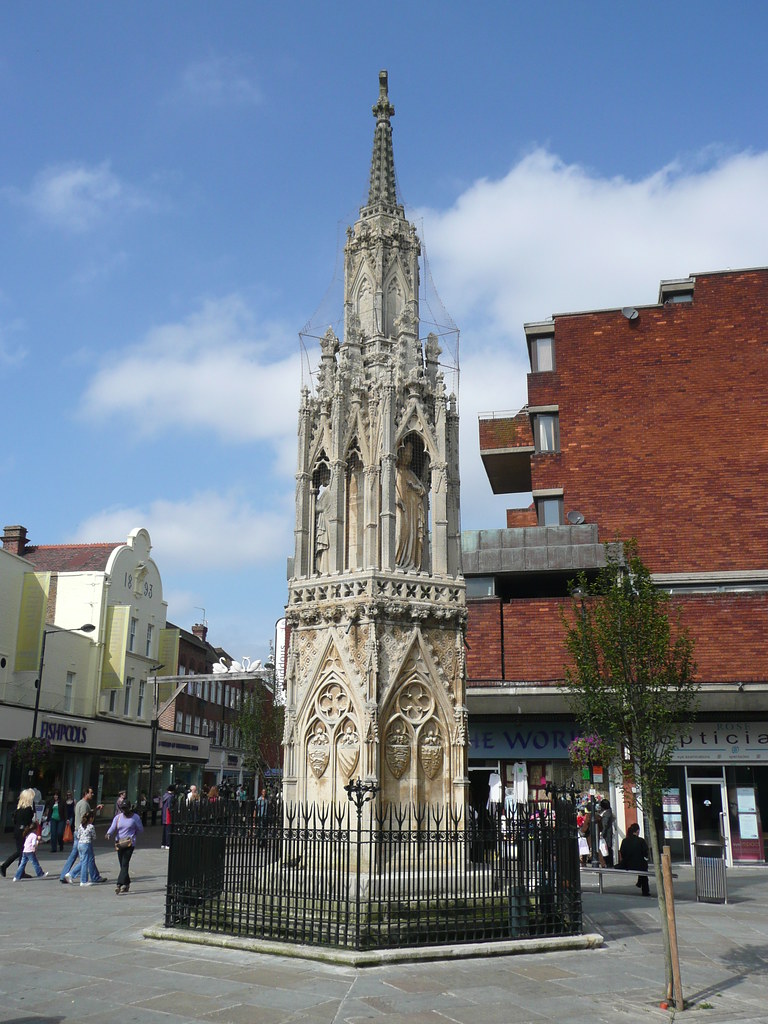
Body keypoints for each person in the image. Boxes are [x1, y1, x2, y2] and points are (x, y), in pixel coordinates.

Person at [61, 788, 106, 884]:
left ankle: (94, 876)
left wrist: (96, 809)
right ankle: (70, 875)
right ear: (86, 793)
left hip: (79, 832)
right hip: (82, 834)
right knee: (84, 858)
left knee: (85, 857)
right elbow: (85, 817)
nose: (92, 794)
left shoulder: (80, 803)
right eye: (91, 793)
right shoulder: (84, 805)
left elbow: (86, 815)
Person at [395, 441, 426, 570]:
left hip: (412, 511)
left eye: (410, 454)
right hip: (399, 510)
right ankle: (396, 561)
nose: (408, 457)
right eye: (406, 453)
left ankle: (410, 563)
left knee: (411, 535)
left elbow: (422, 490)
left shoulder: (411, 474)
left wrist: (414, 487)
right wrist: (397, 499)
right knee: (400, 533)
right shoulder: (394, 472)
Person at [106, 800, 144, 895]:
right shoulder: (118, 817)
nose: (124, 810)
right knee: (122, 864)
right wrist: (108, 833)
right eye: (122, 808)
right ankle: (126, 883)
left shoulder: (135, 818)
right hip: (119, 843)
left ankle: (119, 884)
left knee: (125, 863)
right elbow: (113, 827)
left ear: (129, 807)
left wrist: (133, 836)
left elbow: (140, 829)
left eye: (125, 808)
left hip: (129, 844)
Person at [1, 789, 36, 877]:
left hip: (17, 831)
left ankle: (5, 866)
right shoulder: (28, 809)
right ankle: (19, 871)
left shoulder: (18, 809)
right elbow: (29, 822)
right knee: (23, 851)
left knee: (20, 851)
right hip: (23, 831)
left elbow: (16, 821)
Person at [618, 822, 650, 896]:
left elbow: (622, 852)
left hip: (627, 864)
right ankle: (645, 890)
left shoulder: (625, 841)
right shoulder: (641, 841)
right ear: (637, 831)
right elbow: (645, 853)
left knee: (642, 867)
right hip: (639, 865)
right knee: (643, 868)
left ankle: (639, 882)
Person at [75, 811, 98, 885]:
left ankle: (71, 874)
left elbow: (78, 835)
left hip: (80, 844)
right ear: (90, 818)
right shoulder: (91, 826)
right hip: (86, 844)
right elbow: (94, 837)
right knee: (85, 862)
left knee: (82, 861)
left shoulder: (81, 826)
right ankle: (83, 880)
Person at [598, 798, 615, 867]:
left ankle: (608, 863)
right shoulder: (608, 812)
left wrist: (602, 833)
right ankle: (608, 863)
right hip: (607, 833)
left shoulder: (606, 814)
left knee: (606, 848)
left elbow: (604, 825)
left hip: (606, 834)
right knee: (607, 848)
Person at [160, 784, 175, 849]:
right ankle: (168, 844)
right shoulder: (170, 797)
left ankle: (163, 843)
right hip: (168, 815)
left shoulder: (164, 796)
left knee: (164, 830)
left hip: (164, 814)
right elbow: (170, 806)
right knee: (168, 830)